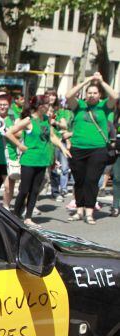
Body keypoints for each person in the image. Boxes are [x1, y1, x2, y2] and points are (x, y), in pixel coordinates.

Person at [6, 95, 70, 226]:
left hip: (42, 160)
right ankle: (15, 216)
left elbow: (52, 136)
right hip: (29, 160)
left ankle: (28, 217)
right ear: (40, 106)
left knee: (35, 190)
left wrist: (62, 148)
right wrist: (19, 145)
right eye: (47, 104)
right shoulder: (28, 120)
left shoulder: (46, 120)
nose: (49, 107)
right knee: (24, 190)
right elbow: (9, 133)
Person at [65, 73, 119, 224]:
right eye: (89, 93)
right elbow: (69, 95)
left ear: (99, 95)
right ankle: (79, 209)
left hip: (98, 149)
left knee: (91, 180)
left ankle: (89, 211)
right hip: (78, 148)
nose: (92, 95)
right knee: (79, 180)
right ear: (86, 94)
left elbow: (114, 96)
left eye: (95, 93)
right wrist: (87, 81)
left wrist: (101, 81)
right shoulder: (79, 106)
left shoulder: (103, 107)